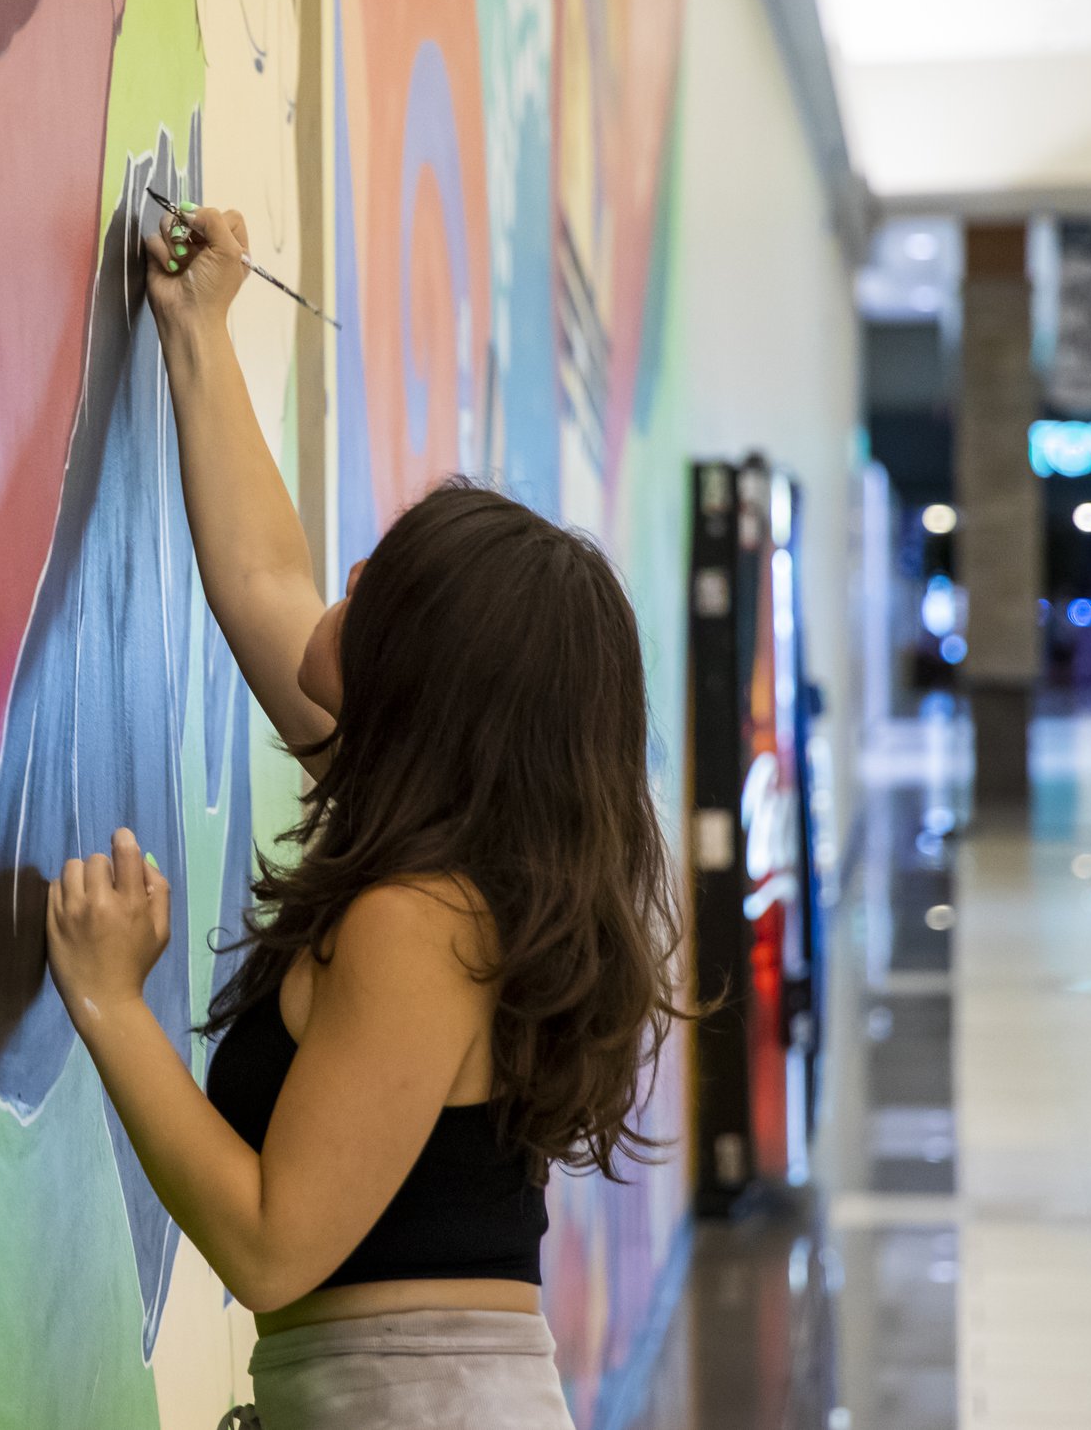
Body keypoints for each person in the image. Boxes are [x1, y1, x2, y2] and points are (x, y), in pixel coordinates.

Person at [46, 205, 684, 1428]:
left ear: (425, 680)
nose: (345, 581)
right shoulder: (446, 840)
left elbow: (276, 1243)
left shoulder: (419, 915)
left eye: (380, 588)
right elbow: (265, 583)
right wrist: (195, 331)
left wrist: (109, 1002)